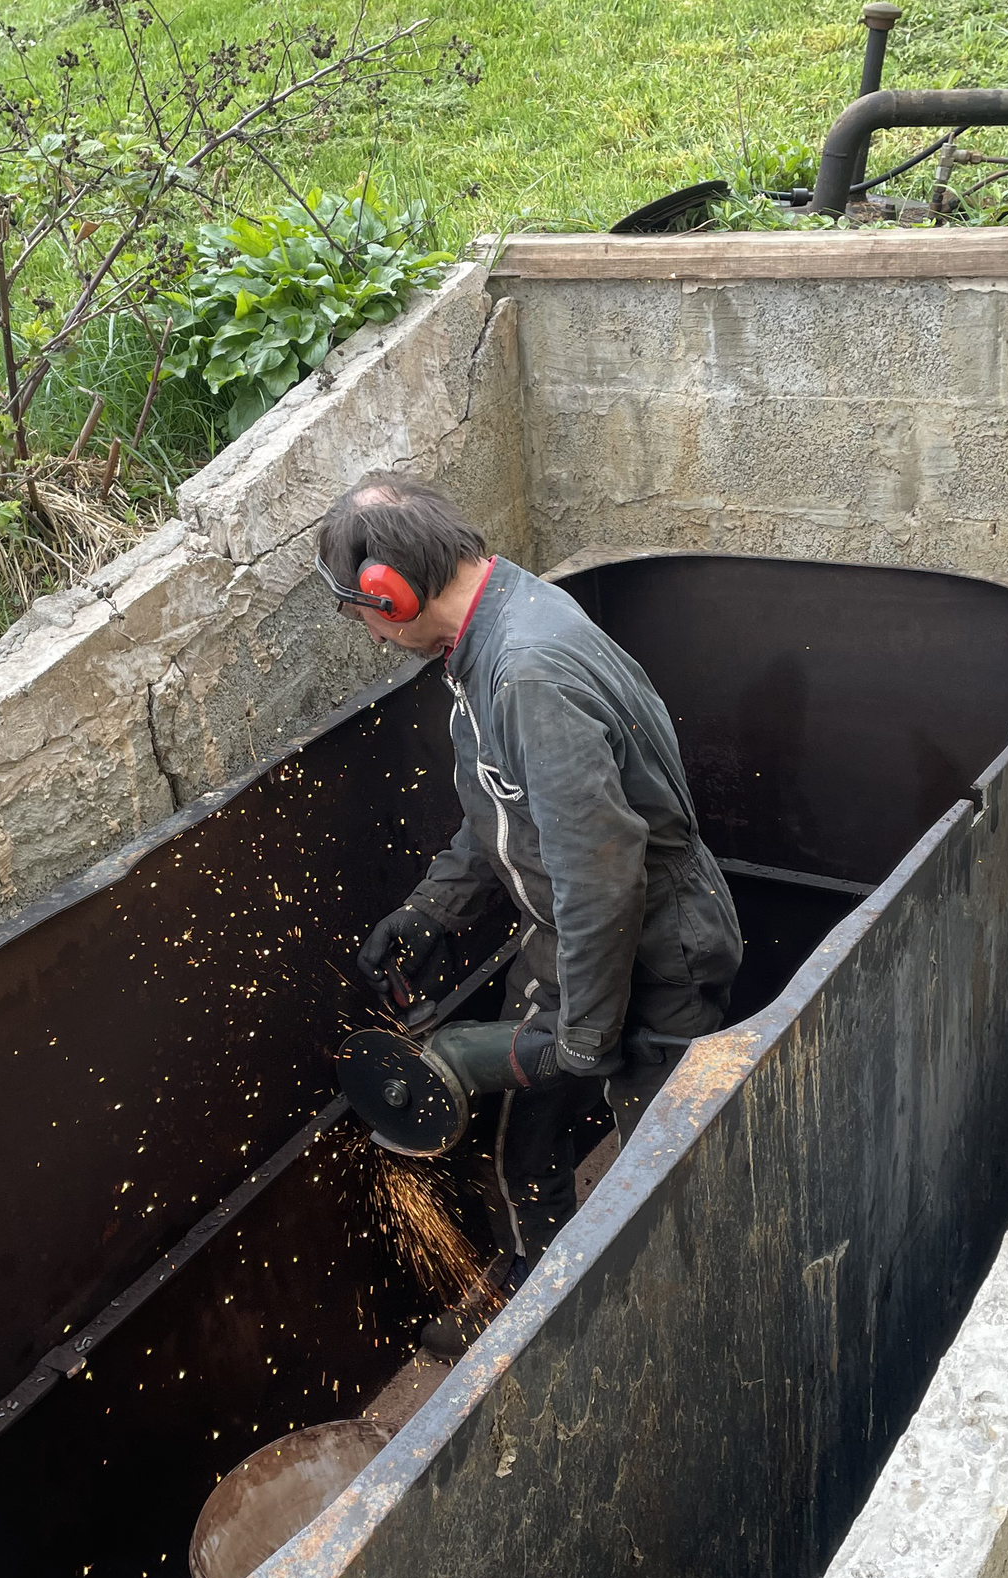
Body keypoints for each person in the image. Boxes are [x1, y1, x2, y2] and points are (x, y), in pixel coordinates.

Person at [317, 471, 742, 1358]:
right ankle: (544, 1305)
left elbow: (601, 874)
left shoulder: (525, 672)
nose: (362, 626)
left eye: (357, 611)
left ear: (384, 594)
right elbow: (506, 813)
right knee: (528, 1143)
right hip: (572, 937)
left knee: (654, 1176)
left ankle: (658, 1338)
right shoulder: (484, 640)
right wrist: (430, 911)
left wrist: (581, 1036)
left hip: (656, 946)